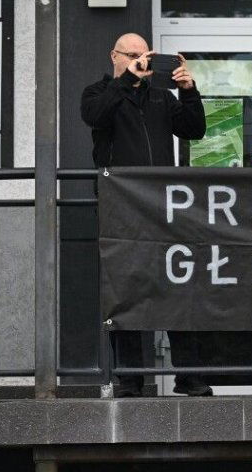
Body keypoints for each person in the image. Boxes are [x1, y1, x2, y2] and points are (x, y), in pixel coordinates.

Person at [81, 32, 210, 397]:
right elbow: (95, 116)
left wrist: (188, 90)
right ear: (115, 56)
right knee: (125, 293)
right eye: (133, 55)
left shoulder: (160, 96)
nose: (141, 62)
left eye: (145, 56)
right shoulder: (99, 92)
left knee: (175, 289)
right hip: (121, 208)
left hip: (162, 208)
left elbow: (195, 129)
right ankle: (130, 380)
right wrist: (126, 80)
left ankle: (190, 377)